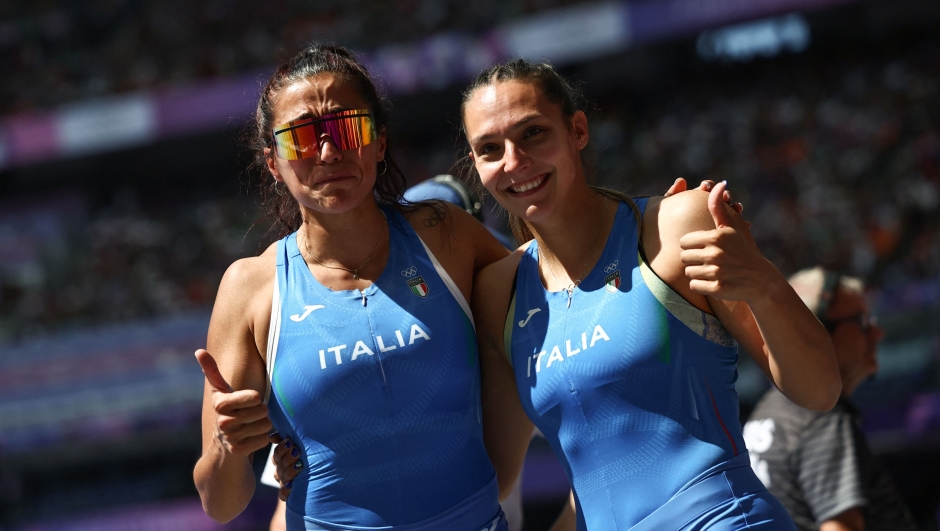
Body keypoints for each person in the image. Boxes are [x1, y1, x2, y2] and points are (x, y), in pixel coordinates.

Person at [458, 59, 841, 530]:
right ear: (476, 165)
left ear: (578, 130)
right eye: (490, 149)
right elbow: (505, 479)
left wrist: (763, 284)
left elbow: (819, 389)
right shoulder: (500, 290)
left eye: (533, 133)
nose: (514, 162)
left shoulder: (677, 225)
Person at [192, 44, 512, 530]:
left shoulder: (443, 234)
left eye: (347, 128)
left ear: (379, 142)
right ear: (274, 163)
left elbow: (556, 292)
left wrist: (651, 232)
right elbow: (219, 503)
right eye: (301, 137)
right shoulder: (250, 289)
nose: (327, 151)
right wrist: (228, 446)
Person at [743, 268, 919, 531]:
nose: (877, 333)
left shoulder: (769, 411)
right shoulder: (822, 420)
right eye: (862, 322)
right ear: (815, 332)